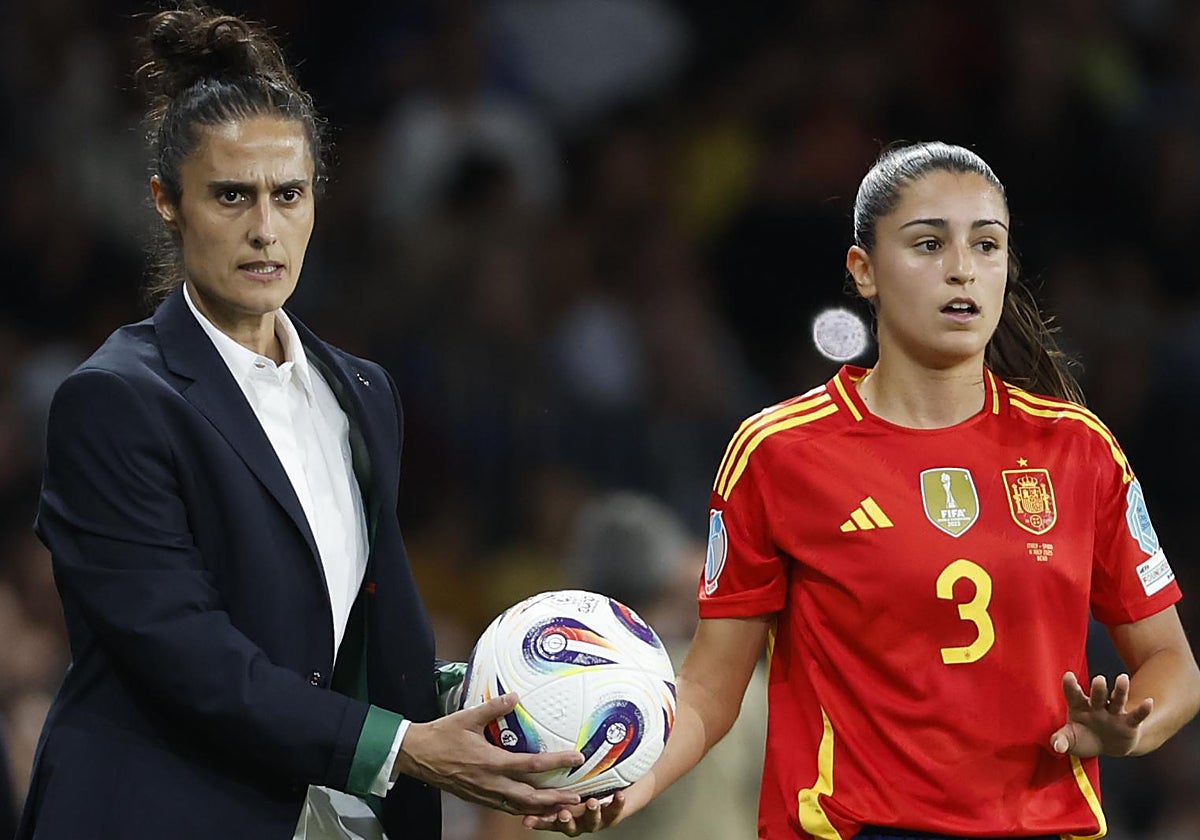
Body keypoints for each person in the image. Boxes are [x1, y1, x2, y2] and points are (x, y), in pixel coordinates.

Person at [17, 4, 583, 839]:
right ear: (167, 203)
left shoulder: (361, 389)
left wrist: (510, 691)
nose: (263, 229)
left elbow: (347, 650)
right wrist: (404, 746)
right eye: (230, 196)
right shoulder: (115, 400)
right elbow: (187, 655)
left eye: (288, 195)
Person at [528, 141, 1200, 839]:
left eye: (988, 245)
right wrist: (630, 786)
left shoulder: (1078, 449)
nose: (963, 268)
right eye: (929, 243)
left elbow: (1171, 663)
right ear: (864, 271)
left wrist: (1126, 731)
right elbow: (709, 689)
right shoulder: (779, 453)